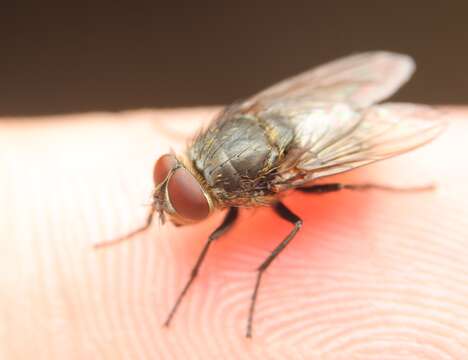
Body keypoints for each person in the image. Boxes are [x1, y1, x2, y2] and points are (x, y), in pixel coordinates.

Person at [1, 107, 466, 359]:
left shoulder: (266, 183)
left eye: (173, 189)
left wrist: (252, 280)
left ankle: (394, 189)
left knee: (306, 209)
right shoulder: (198, 164)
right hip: (292, 110)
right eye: (170, 177)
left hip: (317, 141)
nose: (163, 197)